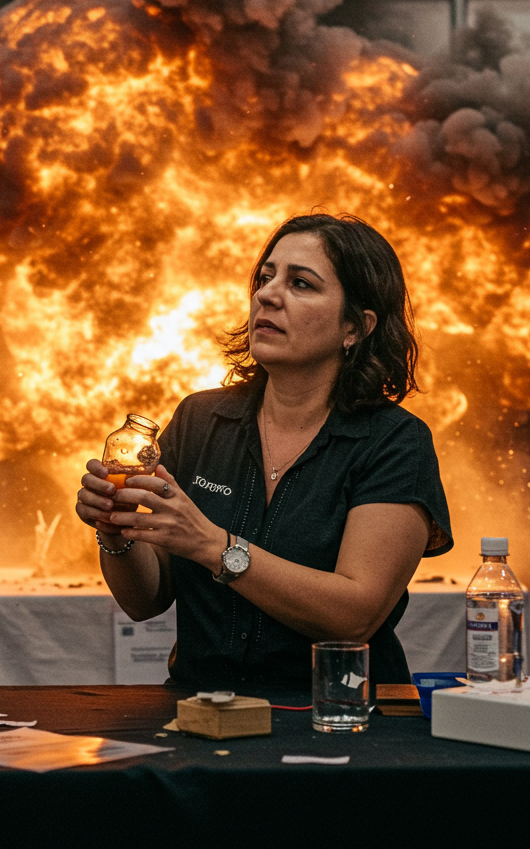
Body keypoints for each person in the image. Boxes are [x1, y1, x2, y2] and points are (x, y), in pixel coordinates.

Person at [75, 212, 452, 690]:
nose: (267, 295)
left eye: (301, 284)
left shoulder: (395, 442)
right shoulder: (200, 419)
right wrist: (115, 533)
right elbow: (146, 601)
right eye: (266, 277)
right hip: (204, 715)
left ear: (355, 327)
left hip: (339, 719)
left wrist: (215, 547)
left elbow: (354, 615)